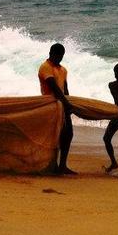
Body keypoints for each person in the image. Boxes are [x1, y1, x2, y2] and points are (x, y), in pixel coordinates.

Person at [38, 42, 76, 175]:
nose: (59, 58)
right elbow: (54, 88)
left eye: (61, 56)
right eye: (57, 55)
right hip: (50, 106)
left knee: (68, 134)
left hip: (62, 105)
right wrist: (67, 103)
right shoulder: (45, 67)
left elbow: (65, 90)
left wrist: (68, 103)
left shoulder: (63, 70)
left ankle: (62, 165)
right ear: (50, 53)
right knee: (54, 136)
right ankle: (52, 165)